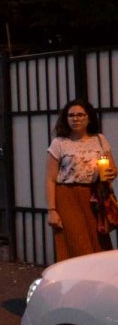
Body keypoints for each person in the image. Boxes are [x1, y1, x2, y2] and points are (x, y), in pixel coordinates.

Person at [46, 99, 116, 260]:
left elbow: (112, 168)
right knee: (76, 240)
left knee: (98, 241)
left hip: (93, 196)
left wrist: (110, 173)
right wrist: (52, 210)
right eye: (71, 115)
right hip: (67, 195)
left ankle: (98, 281)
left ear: (88, 118)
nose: (75, 119)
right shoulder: (59, 143)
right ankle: (75, 280)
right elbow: (50, 179)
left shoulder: (99, 139)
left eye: (80, 115)